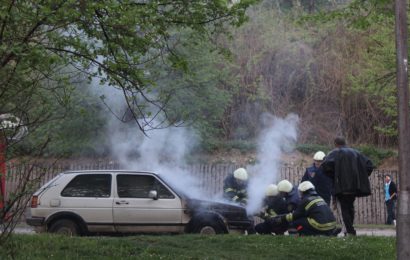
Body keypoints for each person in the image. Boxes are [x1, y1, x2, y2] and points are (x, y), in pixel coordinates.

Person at [320, 136, 374, 236]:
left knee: (344, 209)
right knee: (350, 207)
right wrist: (361, 176)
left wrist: (334, 176)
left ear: (335, 144)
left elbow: (324, 166)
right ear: (345, 143)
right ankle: (350, 229)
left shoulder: (335, 152)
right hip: (354, 187)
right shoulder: (356, 153)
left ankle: (350, 231)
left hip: (341, 187)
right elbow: (369, 165)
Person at [270, 181, 340, 236]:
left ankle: (315, 234)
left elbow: (295, 215)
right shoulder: (319, 197)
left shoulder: (305, 200)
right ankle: (328, 233)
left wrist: (281, 218)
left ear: (303, 191)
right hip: (332, 225)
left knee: (297, 222)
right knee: (306, 220)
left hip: (321, 226)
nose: (299, 193)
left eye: (300, 192)